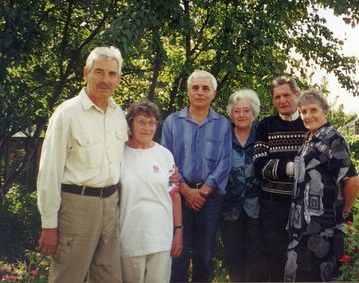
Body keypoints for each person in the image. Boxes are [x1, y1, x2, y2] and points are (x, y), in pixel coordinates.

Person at [37, 46, 128, 282]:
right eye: (99, 72)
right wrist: (49, 224)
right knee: (68, 276)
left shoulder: (119, 115)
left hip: (111, 207)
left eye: (111, 74)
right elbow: (49, 171)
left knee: (109, 278)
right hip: (76, 207)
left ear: (118, 78)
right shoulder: (67, 114)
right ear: (86, 73)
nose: (105, 79)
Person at [161, 70, 232, 282]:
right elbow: (166, 161)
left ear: (214, 93)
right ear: (188, 91)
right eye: (195, 87)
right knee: (178, 255)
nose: (200, 92)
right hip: (178, 197)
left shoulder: (223, 124)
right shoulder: (172, 122)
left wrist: (203, 190)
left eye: (205, 88)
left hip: (209, 199)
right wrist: (186, 191)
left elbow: (224, 162)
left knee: (204, 257)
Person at [284, 89, 359, 282]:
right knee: (300, 275)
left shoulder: (333, 140)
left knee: (321, 275)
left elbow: (351, 179)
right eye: (303, 111)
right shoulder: (307, 139)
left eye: (313, 110)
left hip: (324, 228)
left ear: (325, 111)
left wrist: (345, 209)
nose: (308, 116)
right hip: (300, 225)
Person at [119, 100, 183, 283]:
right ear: (131, 123)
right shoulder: (119, 154)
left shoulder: (165, 155)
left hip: (161, 237)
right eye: (141, 122)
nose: (147, 127)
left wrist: (178, 231)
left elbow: (175, 195)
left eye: (152, 122)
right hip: (129, 236)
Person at [253, 75, 307, 281]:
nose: (282, 101)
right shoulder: (266, 126)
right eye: (277, 97)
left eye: (286, 95)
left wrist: (278, 167)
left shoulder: (308, 123)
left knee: (301, 260)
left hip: (302, 204)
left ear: (297, 94)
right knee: (275, 259)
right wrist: (294, 168)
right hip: (272, 205)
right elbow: (259, 166)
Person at [220, 89, 265, 282]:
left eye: (246, 111)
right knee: (233, 258)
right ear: (231, 113)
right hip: (229, 209)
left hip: (258, 208)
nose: (241, 115)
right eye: (237, 111)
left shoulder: (262, 134)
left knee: (256, 259)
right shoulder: (223, 136)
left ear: (253, 112)